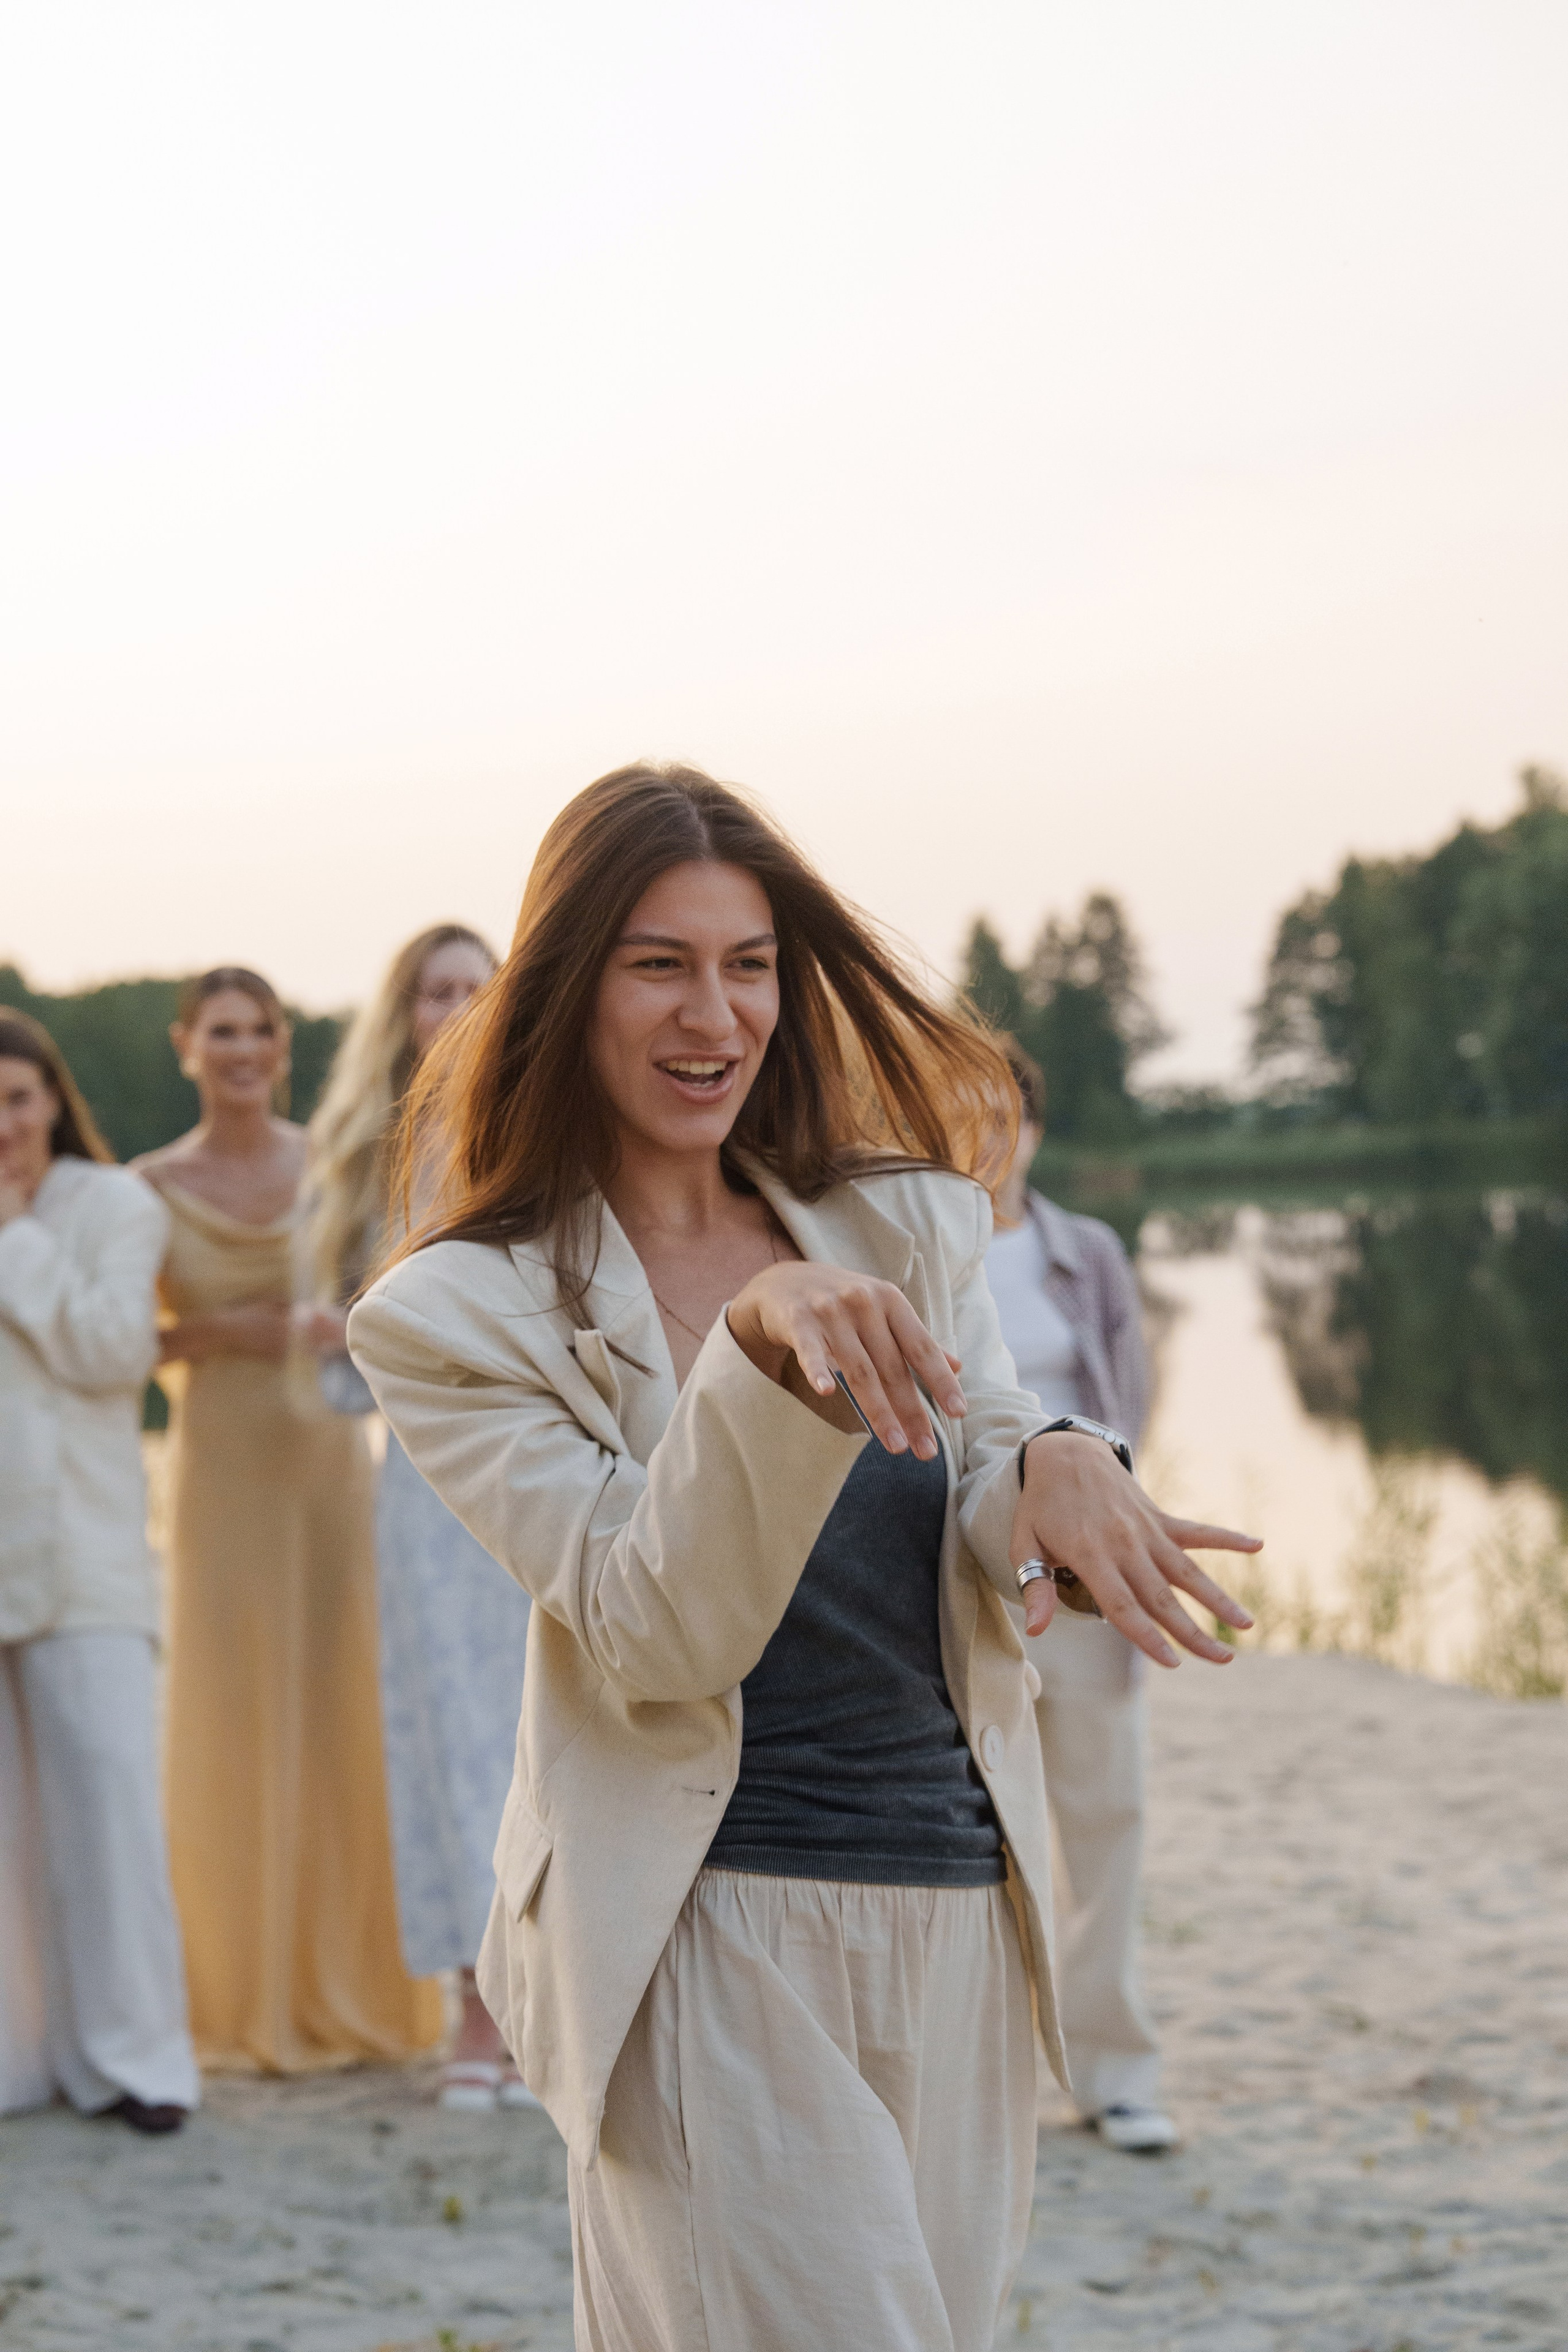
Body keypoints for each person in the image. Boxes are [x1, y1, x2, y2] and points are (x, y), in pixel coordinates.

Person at [347, 763, 1259, 2352]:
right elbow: (651, 1628)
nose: (719, 1012)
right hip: (709, 1922)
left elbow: (986, 1448)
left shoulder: (905, 1220)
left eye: (750, 964)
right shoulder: (452, 1316)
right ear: (566, 990)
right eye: (661, 963)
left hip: (964, 1901)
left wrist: (1062, 1465)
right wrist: (756, 1360)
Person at [134, 968, 443, 2073]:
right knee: (225, 1710)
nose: (246, 1048)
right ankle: (232, 1997)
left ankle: (358, 1992)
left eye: (262, 1029)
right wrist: (247, 1331)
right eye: (223, 1031)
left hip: (325, 1461)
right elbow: (133, 1346)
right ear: (187, 1047)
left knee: (338, 1706)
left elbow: (393, 1305)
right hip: (217, 1467)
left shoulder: (335, 1164)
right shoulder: (145, 1188)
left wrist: (328, 1327)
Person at [296, 924, 536, 2111]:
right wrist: (337, 1336)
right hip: (423, 1496)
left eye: (474, 990)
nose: (454, 1008)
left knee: (540, 1741)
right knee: (442, 1746)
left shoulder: (545, 1145)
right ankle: (473, 2015)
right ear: (403, 1015)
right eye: (435, 991)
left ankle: (549, 2002)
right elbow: (340, 1382)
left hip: (544, 1473)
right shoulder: (367, 1167)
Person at [0, 1013, 198, 2134]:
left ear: (52, 1100)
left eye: (19, 1099)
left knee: (109, 1811)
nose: (4, 1125)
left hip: (84, 1557)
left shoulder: (115, 1206)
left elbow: (119, 1350)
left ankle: (140, 2065)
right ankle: (22, 2063)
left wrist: (15, 1236)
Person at [986, 1042, 1171, 2153]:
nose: (988, 1133)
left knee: (1106, 1821)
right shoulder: (915, 1258)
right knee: (981, 1841)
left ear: (1037, 1126)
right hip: (971, 1577)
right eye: (960, 1110)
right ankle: (995, 2074)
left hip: (1092, 1580)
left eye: (1005, 1109)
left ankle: (1116, 2074)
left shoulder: (1085, 1253)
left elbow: (1132, 1407)